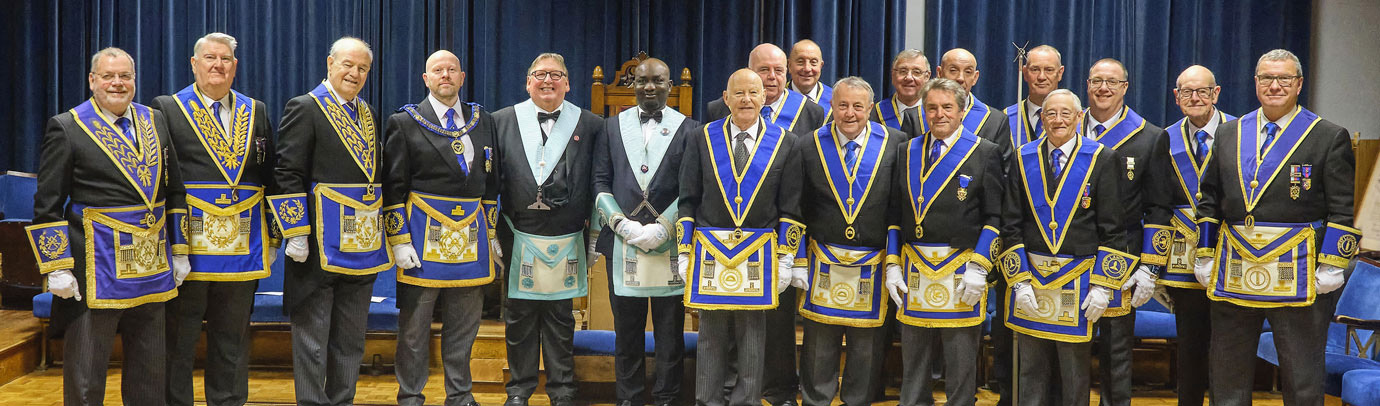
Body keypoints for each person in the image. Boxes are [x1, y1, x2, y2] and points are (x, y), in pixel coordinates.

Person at [1195, 49, 1358, 406]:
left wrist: (1332, 265)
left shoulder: (1327, 136)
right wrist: (1205, 255)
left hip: (1298, 272)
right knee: (1227, 372)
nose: (1275, 85)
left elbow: (1342, 208)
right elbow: (1209, 199)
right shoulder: (1228, 132)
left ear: (1299, 84)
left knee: (1301, 376)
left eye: (1284, 78)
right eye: (1267, 78)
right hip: (1234, 269)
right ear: (1255, 83)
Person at [27, 46, 184, 405]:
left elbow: (173, 190)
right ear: (92, 81)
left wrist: (180, 250)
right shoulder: (67, 127)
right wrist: (57, 268)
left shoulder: (154, 120)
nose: (118, 83)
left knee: (151, 378)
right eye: (109, 76)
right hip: (94, 273)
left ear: (134, 80)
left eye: (125, 76)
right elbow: (47, 205)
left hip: (151, 270)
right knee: (86, 380)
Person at [152, 32, 276, 406]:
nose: (218, 65)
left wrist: (273, 236)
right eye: (210, 58)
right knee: (179, 339)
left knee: (233, 340)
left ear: (235, 66)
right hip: (187, 248)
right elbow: (161, 181)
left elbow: (268, 175)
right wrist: (172, 246)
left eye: (225, 59)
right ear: (194, 63)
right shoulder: (167, 108)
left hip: (242, 247)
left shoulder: (256, 110)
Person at [269, 36, 392, 406]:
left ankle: (342, 401)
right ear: (330, 63)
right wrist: (296, 232)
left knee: (351, 339)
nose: (355, 74)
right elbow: (286, 173)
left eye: (363, 69)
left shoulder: (367, 113)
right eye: (348, 65)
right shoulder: (304, 107)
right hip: (318, 248)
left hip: (362, 247)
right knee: (313, 340)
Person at [678, 68, 804, 406]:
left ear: (765, 98)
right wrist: (683, 250)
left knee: (752, 337)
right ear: (726, 98)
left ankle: (747, 401)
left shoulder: (787, 142)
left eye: (753, 93)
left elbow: (791, 208)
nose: (746, 100)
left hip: (759, 258)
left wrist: (786, 258)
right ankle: (707, 401)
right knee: (711, 336)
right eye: (739, 93)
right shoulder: (701, 137)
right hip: (709, 253)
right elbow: (688, 199)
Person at [998, 89, 1132, 406]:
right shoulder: (1023, 157)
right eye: (1051, 114)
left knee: (1074, 373)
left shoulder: (1102, 158)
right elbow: (1011, 224)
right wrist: (1018, 281)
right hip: (1033, 279)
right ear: (1041, 118)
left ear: (1079, 117)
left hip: (1080, 282)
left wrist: (1103, 287)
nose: (1058, 120)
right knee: (1030, 371)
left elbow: (1113, 229)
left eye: (1065, 114)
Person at [383, 49, 501, 406]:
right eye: (438, 70)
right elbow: (393, 186)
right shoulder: (404, 122)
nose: (445, 75)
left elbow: (491, 182)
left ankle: (460, 396)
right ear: (426, 79)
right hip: (421, 238)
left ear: (462, 77)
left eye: (451, 69)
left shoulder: (484, 120)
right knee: (415, 330)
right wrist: (399, 239)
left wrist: (492, 235)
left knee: (464, 328)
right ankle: (410, 396)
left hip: (473, 237)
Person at [491, 52, 603, 406]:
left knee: (561, 318)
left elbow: (600, 182)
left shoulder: (591, 124)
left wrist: (597, 238)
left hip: (568, 236)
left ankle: (563, 391)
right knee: (518, 317)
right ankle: (519, 391)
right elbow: (489, 181)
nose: (548, 80)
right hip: (516, 234)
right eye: (539, 74)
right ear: (528, 83)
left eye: (556, 75)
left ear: (568, 84)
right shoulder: (501, 121)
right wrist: (492, 233)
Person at [885, 78, 1004, 406]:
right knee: (914, 365)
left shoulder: (985, 152)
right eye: (932, 107)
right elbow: (895, 215)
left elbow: (995, 219)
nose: (938, 114)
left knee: (960, 363)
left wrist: (980, 267)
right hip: (913, 273)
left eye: (946, 107)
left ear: (962, 111)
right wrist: (892, 265)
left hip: (962, 271)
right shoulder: (906, 151)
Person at [591, 57, 698, 406]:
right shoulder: (610, 127)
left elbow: (691, 188)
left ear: (671, 86)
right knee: (627, 333)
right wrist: (620, 223)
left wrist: (663, 228)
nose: (649, 87)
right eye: (641, 81)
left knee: (670, 334)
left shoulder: (691, 129)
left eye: (657, 81)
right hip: (622, 244)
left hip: (670, 244)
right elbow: (599, 181)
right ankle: (629, 399)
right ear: (632, 84)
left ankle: (667, 398)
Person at [792, 76, 905, 406]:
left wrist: (896, 262)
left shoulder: (896, 143)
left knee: (866, 349)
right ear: (832, 106)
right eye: (843, 105)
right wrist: (798, 260)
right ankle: (816, 401)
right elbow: (796, 208)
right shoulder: (808, 144)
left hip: (874, 263)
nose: (850, 113)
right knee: (819, 347)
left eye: (858, 106)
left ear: (870, 108)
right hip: (823, 259)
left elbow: (899, 209)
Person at [1142, 65, 1235, 406]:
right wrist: (1155, 267)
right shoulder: (1164, 138)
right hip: (1183, 261)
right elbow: (1157, 203)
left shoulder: (1239, 133)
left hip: (1231, 255)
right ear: (1176, 96)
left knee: (1229, 347)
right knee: (1190, 345)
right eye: (1186, 92)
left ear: (1216, 93)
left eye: (1202, 91)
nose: (1194, 98)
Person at [1080, 57, 1168, 406]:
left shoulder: (1150, 137)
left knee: (1117, 350)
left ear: (1125, 88)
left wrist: (1150, 267)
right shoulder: (1063, 127)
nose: (1103, 88)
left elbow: (1159, 207)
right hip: (1068, 254)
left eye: (1112, 82)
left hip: (1123, 257)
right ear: (1086, 85)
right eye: (1096, 81)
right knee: (1066, 345)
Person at [706, 43, 827, 139]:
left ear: (787, 71)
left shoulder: (811, 112)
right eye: (764, 70)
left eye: (778, 70)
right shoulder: (719, 109)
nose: (772, 76)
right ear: (749, 71)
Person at [936, 48, 1011, 145]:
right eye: (953, 70)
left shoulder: (995, 121)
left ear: (975, 78)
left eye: (968, 72)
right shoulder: (916, 118)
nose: (960, 78)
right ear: (939, 73)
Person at [1003, 45, 1064, 153]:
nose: (1041, 77)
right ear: (1025, 73)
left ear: (1060, 73)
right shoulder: (1006, 118)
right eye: (1035, 70)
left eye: (1049, 70)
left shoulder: (1076, 119)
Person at [873, 49, 931, 137]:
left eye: (916, 72)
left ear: (927, 77)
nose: (909, 78)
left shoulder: (937, 115)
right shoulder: (874, 115)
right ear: (893, 75)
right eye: (903, 71)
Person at [789, 39, 832, 116]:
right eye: (800, 62)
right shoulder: (778, 98)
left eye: (813, 62)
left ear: (821, 66)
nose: (807, 69)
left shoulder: (834, 100)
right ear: (789, 65)